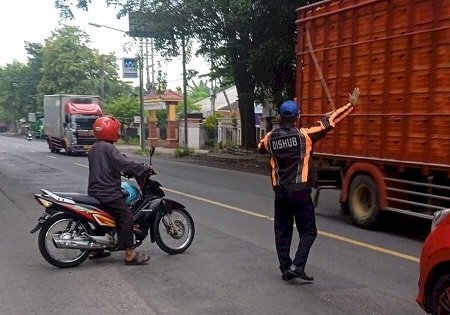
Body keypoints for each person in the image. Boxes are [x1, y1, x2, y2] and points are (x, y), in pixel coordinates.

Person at [257, 96, 356, 281]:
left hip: (280, 192)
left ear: (279, 116)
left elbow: (260, 147)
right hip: (300, 191)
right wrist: (350, 105)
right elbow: (329, 122)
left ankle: (286, 268)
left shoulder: (270, 137)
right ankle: (297, 265)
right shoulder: (305, 135)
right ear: (297, 116)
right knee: (309, 231)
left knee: (282, 231)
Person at [88, 115, 152, 265]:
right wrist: (143, 168)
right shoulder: (108, 148)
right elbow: (123, 163)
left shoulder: (95, 147)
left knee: (105, 218)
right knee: (127, 217)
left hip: (95, 191)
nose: (118, 133)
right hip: (108, 192)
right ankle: (130, 254)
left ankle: (96, 249)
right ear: (110, 130)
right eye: (116, 130)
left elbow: (110, 165)